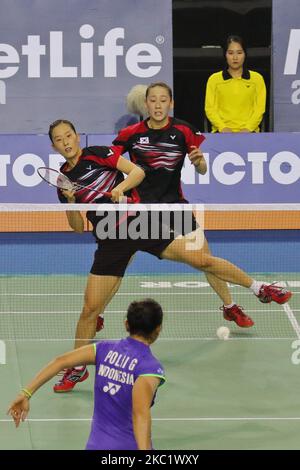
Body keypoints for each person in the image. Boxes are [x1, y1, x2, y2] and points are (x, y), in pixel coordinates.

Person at [50, 115, 292, 393]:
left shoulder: (98, 154)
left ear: (77, 136)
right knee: (89, 310)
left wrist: (120, 189)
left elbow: (137, 172)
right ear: (54, 147)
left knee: (201, 259)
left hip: (139, 223)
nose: (65, 142)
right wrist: (70, 203)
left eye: (68, 135)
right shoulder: (63, 181)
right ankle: (78, 368)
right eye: (59, 139)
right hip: (109, 239)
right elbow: (78, 228)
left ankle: (259, 288)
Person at [112, 81, 290, 328]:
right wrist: (119, 187)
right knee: (119, 261)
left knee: (205, 257)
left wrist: (199, 162)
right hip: (142, 210)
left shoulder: (184, 131)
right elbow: (109, 161)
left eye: (163, 100)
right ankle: (99, 312)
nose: (158, 105)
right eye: (153, 100)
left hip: (176, 207)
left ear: (171, 103)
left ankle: (229, 307)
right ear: (146, 103)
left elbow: (203, 169)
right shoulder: (130, 135)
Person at [7, 299, 165, 450]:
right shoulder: (149, 368)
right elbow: (140, 415)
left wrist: (26, 393)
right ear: (158, 329)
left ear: (126, 324)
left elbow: (60, 361)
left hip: (95, 445)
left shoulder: (104, 349)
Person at [204, 35, 266, 133]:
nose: (235, 57)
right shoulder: (214, 79)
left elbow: (259, 109)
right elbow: (210, 109)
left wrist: (248, 128)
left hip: (250, 133)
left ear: (245, 54)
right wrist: (222, 127)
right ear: (225, 55)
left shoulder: (257, 79)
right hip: (221, 133)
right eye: (231, 53)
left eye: (239, 53)